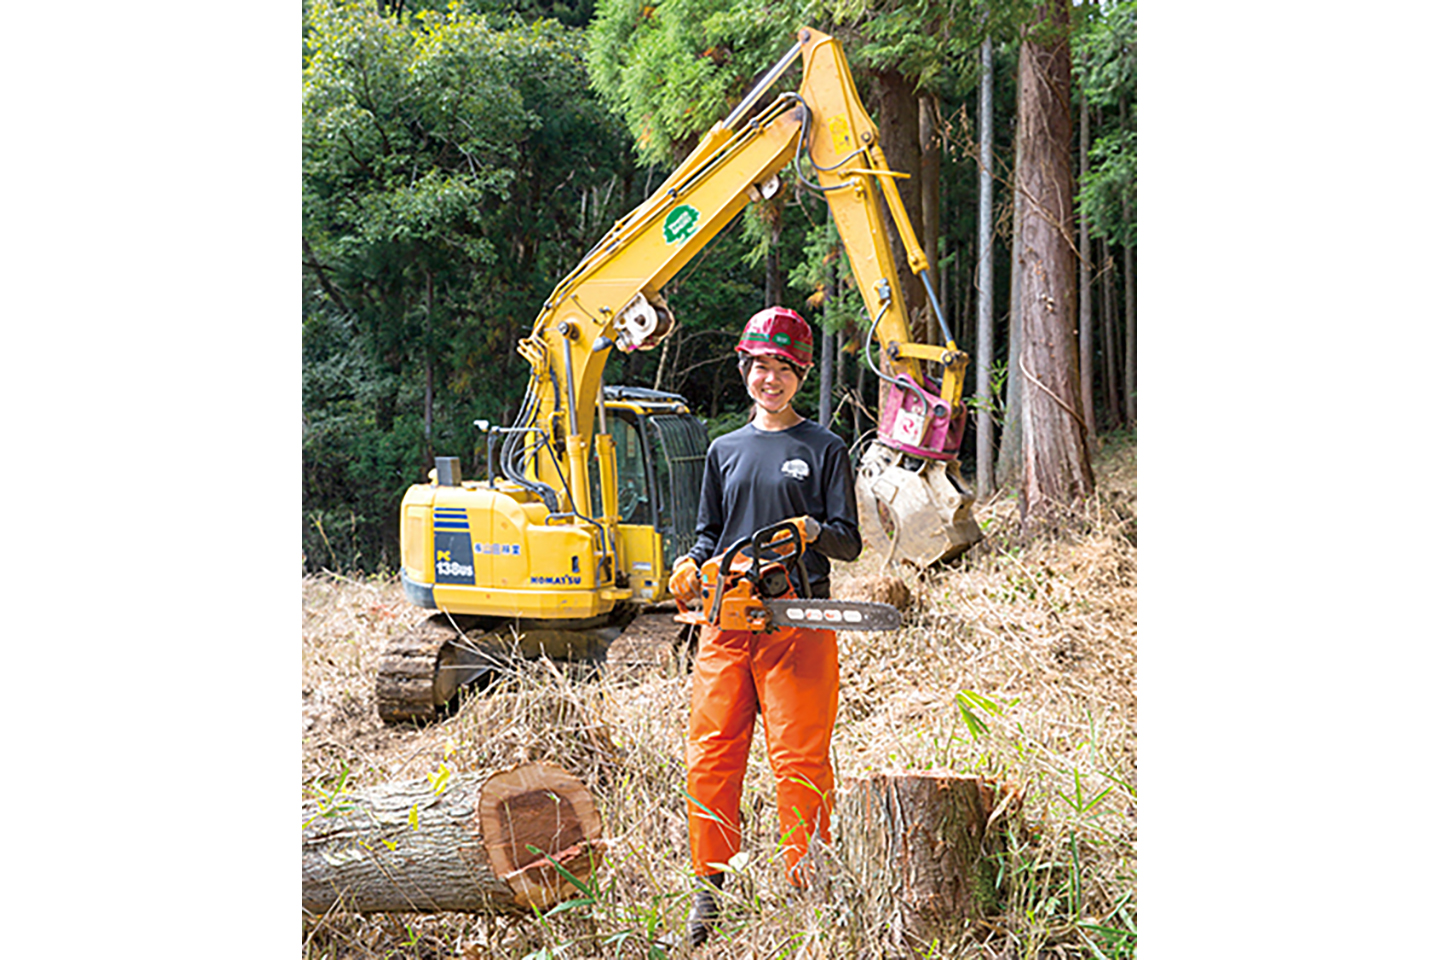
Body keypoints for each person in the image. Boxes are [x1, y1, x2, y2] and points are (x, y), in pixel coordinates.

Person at [667, 306, 862, 947]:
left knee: (800, 759)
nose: (769, 379)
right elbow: (707, 532)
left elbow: (849, 542)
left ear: (799, 374)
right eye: (759, 367)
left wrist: (812, 530)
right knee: (711, 755)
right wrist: (691, 564)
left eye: (781, 368)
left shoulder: (824, 448)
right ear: (745, 371)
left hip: (796, 621)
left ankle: (808, 887)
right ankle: (710, 890)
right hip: (725, 622)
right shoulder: (723, 450)